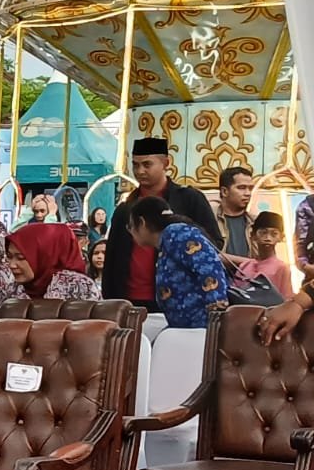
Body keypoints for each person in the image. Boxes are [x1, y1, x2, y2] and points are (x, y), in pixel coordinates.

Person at [103, 137, 218, 307]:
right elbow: (112, 257)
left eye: (147, 164)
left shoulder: (189, 199)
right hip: (128, 299)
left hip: (179, 299)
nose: (140, 171)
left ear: (166, 163)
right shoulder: (126, 208)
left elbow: (214, 243)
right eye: (135, 165)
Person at [129, 197, 229, 328]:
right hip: (187, 327)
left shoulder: (176, 233)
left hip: (202, 328)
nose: (130, 232)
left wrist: (216, 315)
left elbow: (208, 268)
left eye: (130, 226)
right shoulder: (167, 241)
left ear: (141, 223)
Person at [6, 221, 102, 303]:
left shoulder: (77, 286)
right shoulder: (12, 290)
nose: (12, 265)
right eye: (9, 257)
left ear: (44, 256)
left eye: (21, 258)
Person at [233, 210, 293, 297]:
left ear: (281, 237)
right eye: (263, 233)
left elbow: (286, 299)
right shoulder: (245, 265)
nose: (268, 238)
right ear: (253, 235)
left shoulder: (282, 267)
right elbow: (235, 294)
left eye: (274, 234)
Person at [214, 165, 255, 272]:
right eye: (241, 188)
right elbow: (210, 255)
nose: (248, 193)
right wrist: (249, 262)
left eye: (250, 188)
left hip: (247, 283)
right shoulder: (210, 219)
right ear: (224, 191)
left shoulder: (255, 223)